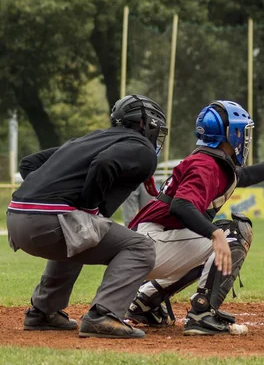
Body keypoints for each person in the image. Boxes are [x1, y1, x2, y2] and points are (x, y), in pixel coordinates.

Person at [124, 100, 264, 335]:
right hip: (151, 244)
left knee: (216, 242)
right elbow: (181, 205)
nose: (243, 137)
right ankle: (202, 314)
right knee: (233, 233)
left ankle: (145, 302)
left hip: (151, 242)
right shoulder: (206, 165)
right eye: (240, 131)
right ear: (228, 134)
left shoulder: (210, 160)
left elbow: (246, 175)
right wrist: (215, 234)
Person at [7, 94, 169, 339]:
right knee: (141, 246)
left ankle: (43, 312)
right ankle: (104, 315)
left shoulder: (91, 138)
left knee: (81, 237)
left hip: (16, 217)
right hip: (47, 221)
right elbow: (104, 163)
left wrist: (41, 196)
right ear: (146, 125)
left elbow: (30, 163)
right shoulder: (143, 149)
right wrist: (88, 208)